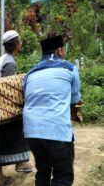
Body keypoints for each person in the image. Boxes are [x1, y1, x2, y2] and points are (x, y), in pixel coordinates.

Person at [22, 35, 82, 186]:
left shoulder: (30, 73)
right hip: (57, 131)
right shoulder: (69, 68)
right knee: (62, 177)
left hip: (32, 132)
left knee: (42, 171)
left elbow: (26, 97)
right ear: (60, 51)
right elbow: (75, 100)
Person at [0, 30, 32, 186]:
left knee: (15, 136)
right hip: (4, 108)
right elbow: (8, 88)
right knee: (3, 139)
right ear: (15, 44)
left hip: (1, 107)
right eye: (19, 41)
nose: (21, 43)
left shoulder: (5, 59)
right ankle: (0, 177)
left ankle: (20, 163)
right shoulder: (9, 63)